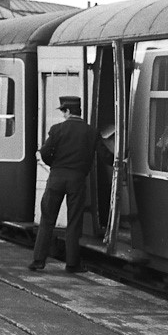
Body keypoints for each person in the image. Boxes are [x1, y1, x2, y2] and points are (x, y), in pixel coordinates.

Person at [28, 96, 113, 273]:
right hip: (77, 179)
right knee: (74, 221)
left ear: (67, 111)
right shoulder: (91, 131)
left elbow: (44, 152)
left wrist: (55, 165)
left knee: (47, 219)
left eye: (63, 111)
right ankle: (72, 263)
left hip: (57, 178)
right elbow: (106, 156)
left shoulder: (57, 129)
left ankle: (38, 261)